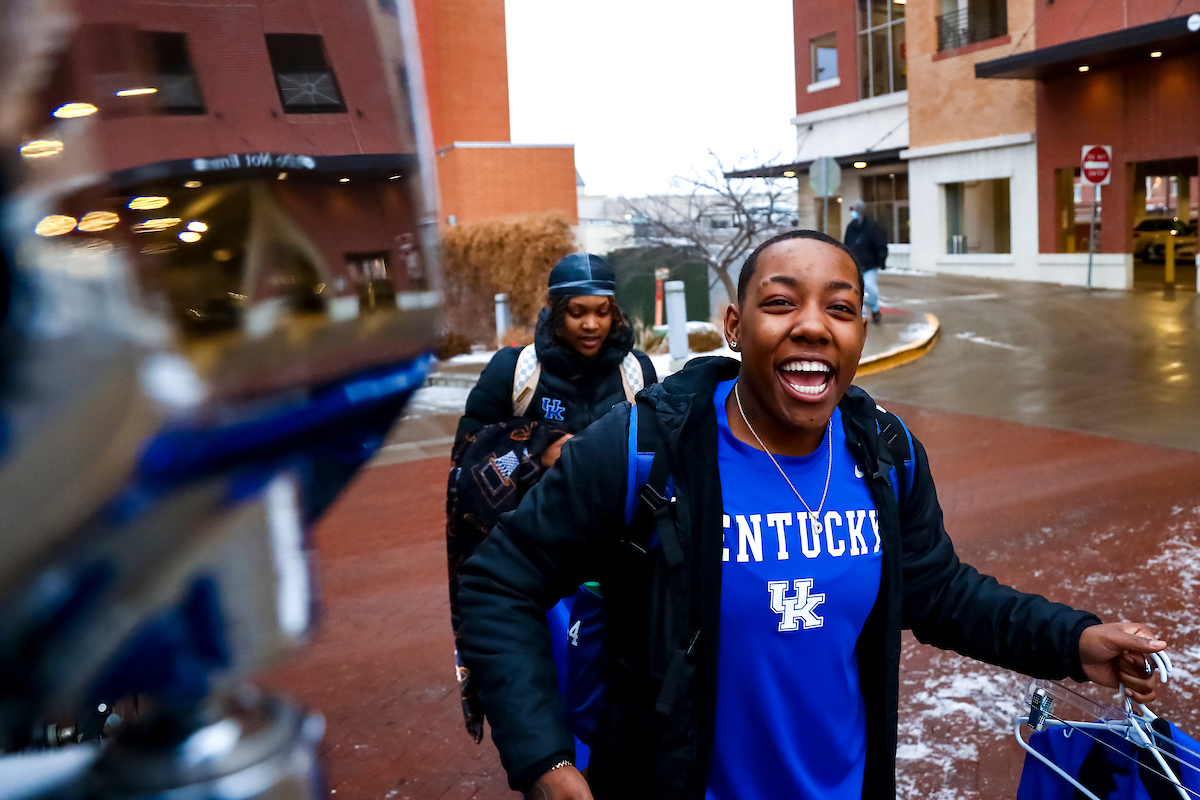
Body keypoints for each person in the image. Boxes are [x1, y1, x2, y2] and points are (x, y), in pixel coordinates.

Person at [456, 229, 1168, 800]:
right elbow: (499, 585)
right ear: (734, 326)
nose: (813, 326)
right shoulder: (646, 448)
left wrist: (1073, 641)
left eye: (840, 307)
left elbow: (939, 590)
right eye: (780, 303)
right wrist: (545, 764)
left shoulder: (884, 453)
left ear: (860, 332)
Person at [447, 252, 657, 750]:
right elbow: (467, 449)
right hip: (534, 545)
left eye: (602, 311)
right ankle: (547, 759)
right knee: (541, 659)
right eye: (578, 311)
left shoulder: (636, 370)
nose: (592, 324)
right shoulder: (515, 370)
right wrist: (536, 446)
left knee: (615, 664)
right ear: (556, 309)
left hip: (612, 549)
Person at [843, 200, 889, 325]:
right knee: (858, 291)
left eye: (854, 210)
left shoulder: (872, 226)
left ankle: (874, 309)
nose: (852, 213)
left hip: (870, 264)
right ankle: (861, 316)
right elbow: (846, 245)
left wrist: (881, 259)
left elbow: (880, 244)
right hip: (856, 265)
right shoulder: (851, 227)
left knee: (870, 287)